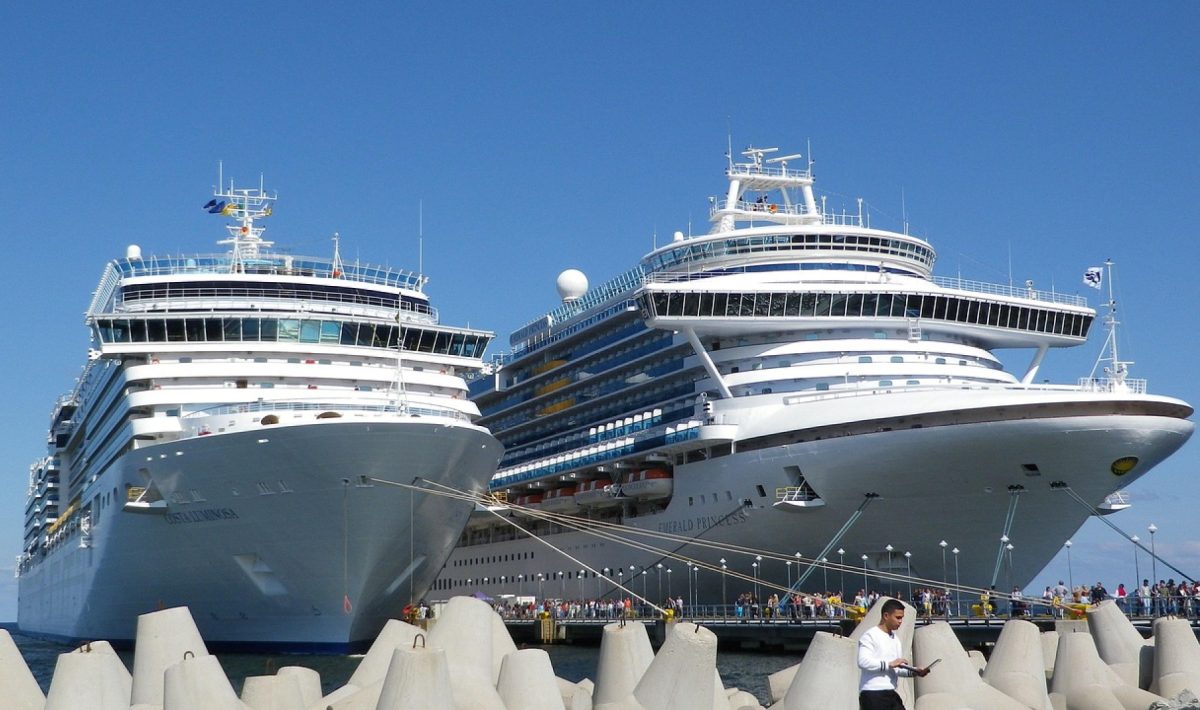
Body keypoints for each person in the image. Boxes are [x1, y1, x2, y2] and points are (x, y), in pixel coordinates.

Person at [858, 599, 930, 709]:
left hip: (891, 693)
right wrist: (890, 664)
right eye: (898, 618)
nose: (900, 621)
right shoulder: (870, 635)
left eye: (902, 618)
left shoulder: (895, 639)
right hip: (872, 693)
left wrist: (914, 672)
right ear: (886, 616)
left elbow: (896, 669)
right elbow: (862, 662)